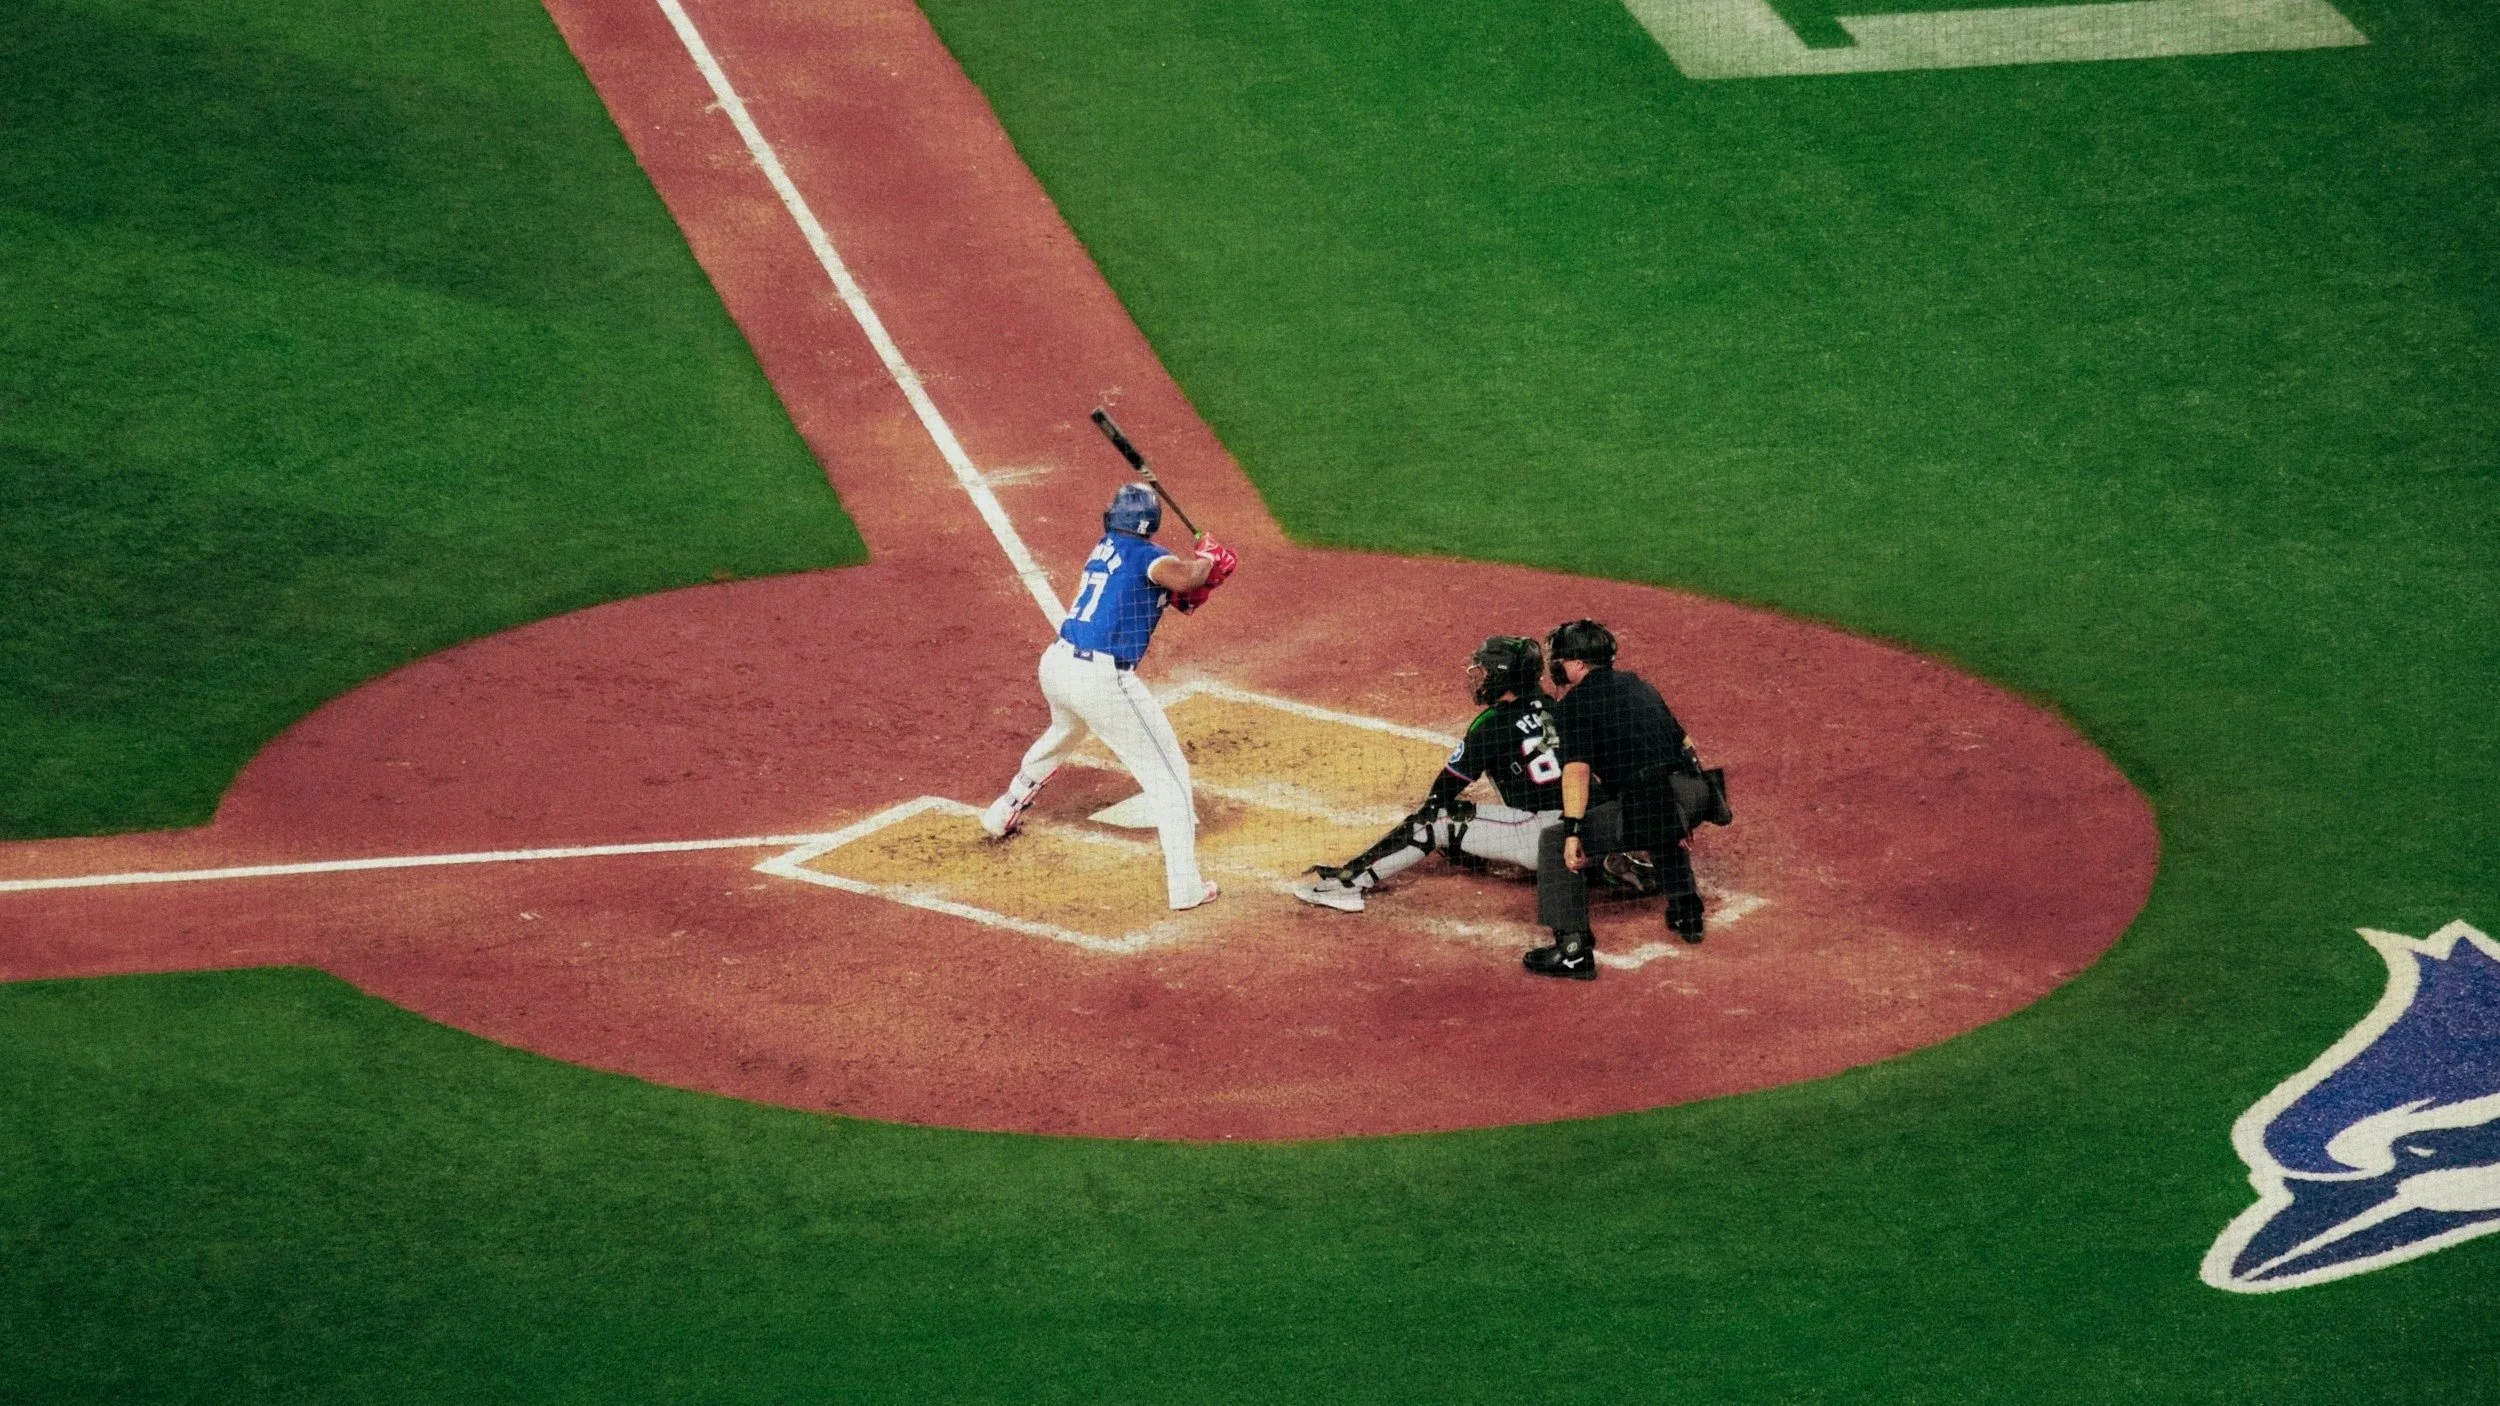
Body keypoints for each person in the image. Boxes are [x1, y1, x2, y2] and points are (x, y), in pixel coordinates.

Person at [979, 483, 1236, 910]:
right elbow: (1186, 576)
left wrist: (1208, 575)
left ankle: (1004, 809)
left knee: (1064, 733)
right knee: (1169, 780)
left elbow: (1184, 597)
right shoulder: (1150, 558)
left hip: (1058, 666)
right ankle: (1186, 887)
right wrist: (1211, 560)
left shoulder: (1106, 551)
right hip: (1101, 680)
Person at [1289, 636, 1565, 912]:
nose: (1481, 679)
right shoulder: (1562, 710)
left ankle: (1347, 885)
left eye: (1487, 672)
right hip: (1588, 833)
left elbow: (1442, 791)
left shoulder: (1492, 723)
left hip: (1542, 840)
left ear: (1504, 678)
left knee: (1437, 817)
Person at [1526, 619, 1709, 980]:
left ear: (1578, 664)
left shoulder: (1576, 703)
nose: (1556, 664)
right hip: (1695, 792)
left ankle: (1573, 951)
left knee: (1553, 842)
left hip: (1657, 801)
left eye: (1560, 658)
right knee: (1653, 814)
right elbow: (1684, 745)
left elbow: (1576, 771)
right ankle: (1687, 910)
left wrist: (1573, 832)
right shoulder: (1640, 686)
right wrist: (1684, 816)